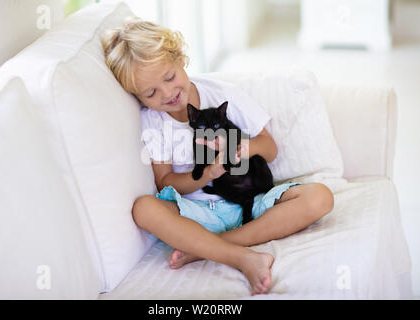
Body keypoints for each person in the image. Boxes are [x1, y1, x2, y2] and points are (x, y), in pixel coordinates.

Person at [100, 19, 334, 295]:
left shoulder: (223, 94)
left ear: (181, 60)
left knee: (320, 197)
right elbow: (165, 182)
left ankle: (208, 247)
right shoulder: (152, 121)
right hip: (199, 215)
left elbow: (269, 148)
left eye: (170, 77)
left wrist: (243, 148)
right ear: (138, 97)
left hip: (251, 201)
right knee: (144, 209)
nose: (168, 93)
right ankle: (241, 256)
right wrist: (208, 174)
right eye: (151, 93)